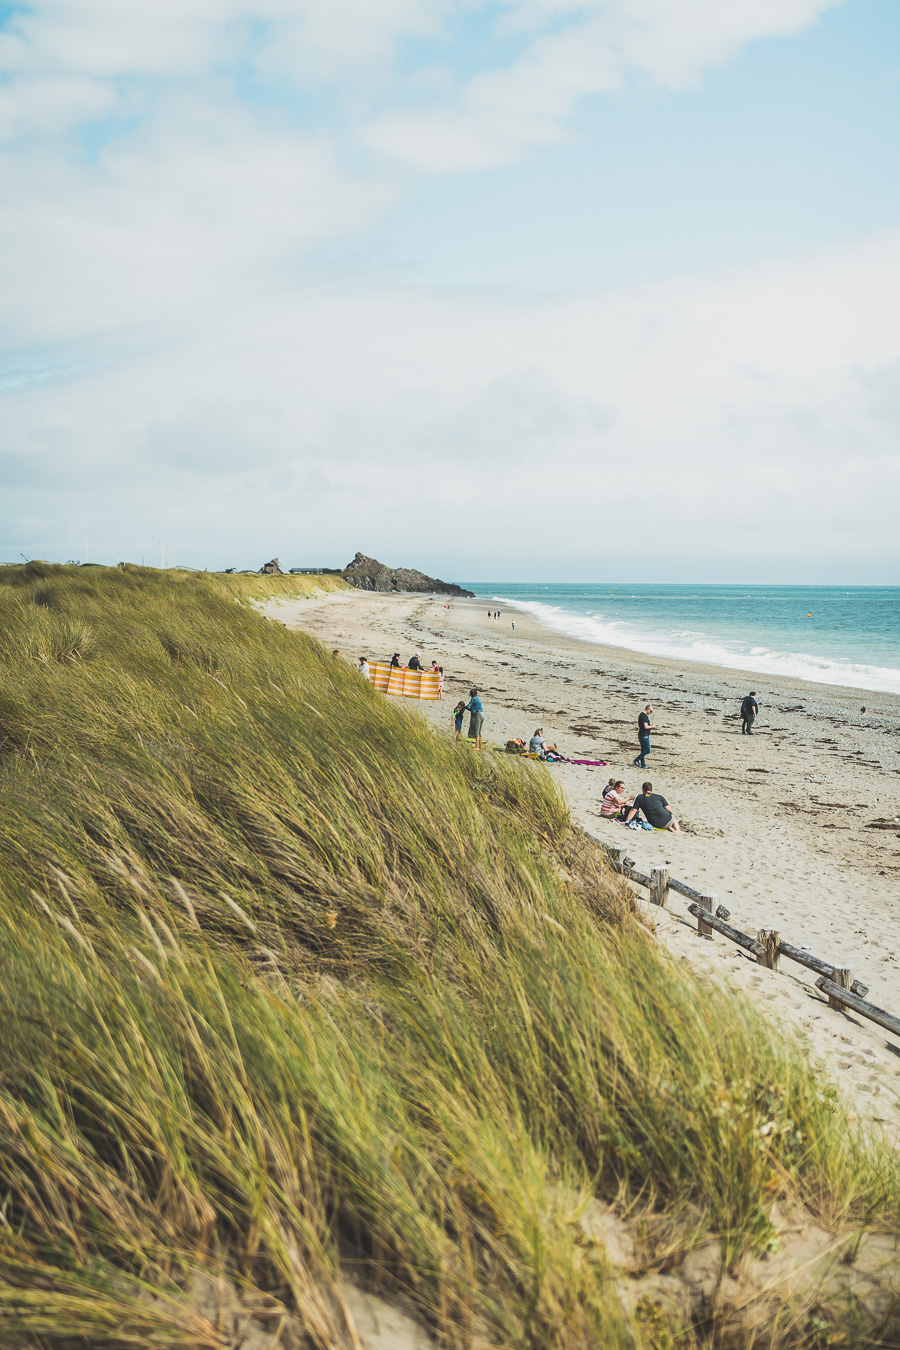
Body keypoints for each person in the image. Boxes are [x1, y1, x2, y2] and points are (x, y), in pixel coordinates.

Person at [634, 704, 656, 769]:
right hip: (644, 735)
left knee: (643, 750)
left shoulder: (642, 715)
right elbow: (646, 727)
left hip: (641, 734)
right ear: (648, 709)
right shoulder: (644, 716)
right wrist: (653, 726)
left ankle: (643, 764)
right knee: (648, 750)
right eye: (651, 711)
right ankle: (637, 759)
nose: (651, 713)